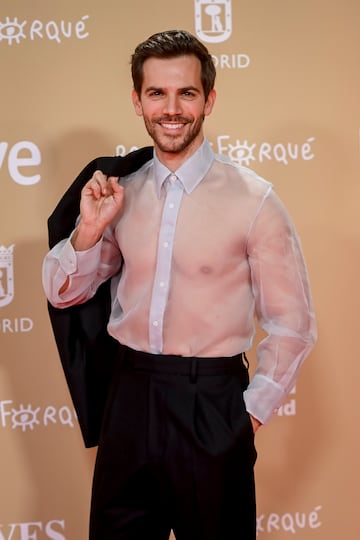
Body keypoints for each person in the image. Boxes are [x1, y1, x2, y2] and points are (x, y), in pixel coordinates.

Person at [42, 29, 316, 540]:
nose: (172, 109)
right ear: (137, 100)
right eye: (157, 93)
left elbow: (293, 327)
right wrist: (89, 228)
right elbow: (64, 293)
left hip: (211, 402)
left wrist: (244, 421)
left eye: (186, 93)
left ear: (208, 100)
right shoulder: (118, 191)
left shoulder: (255, 200)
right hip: (128, 399)